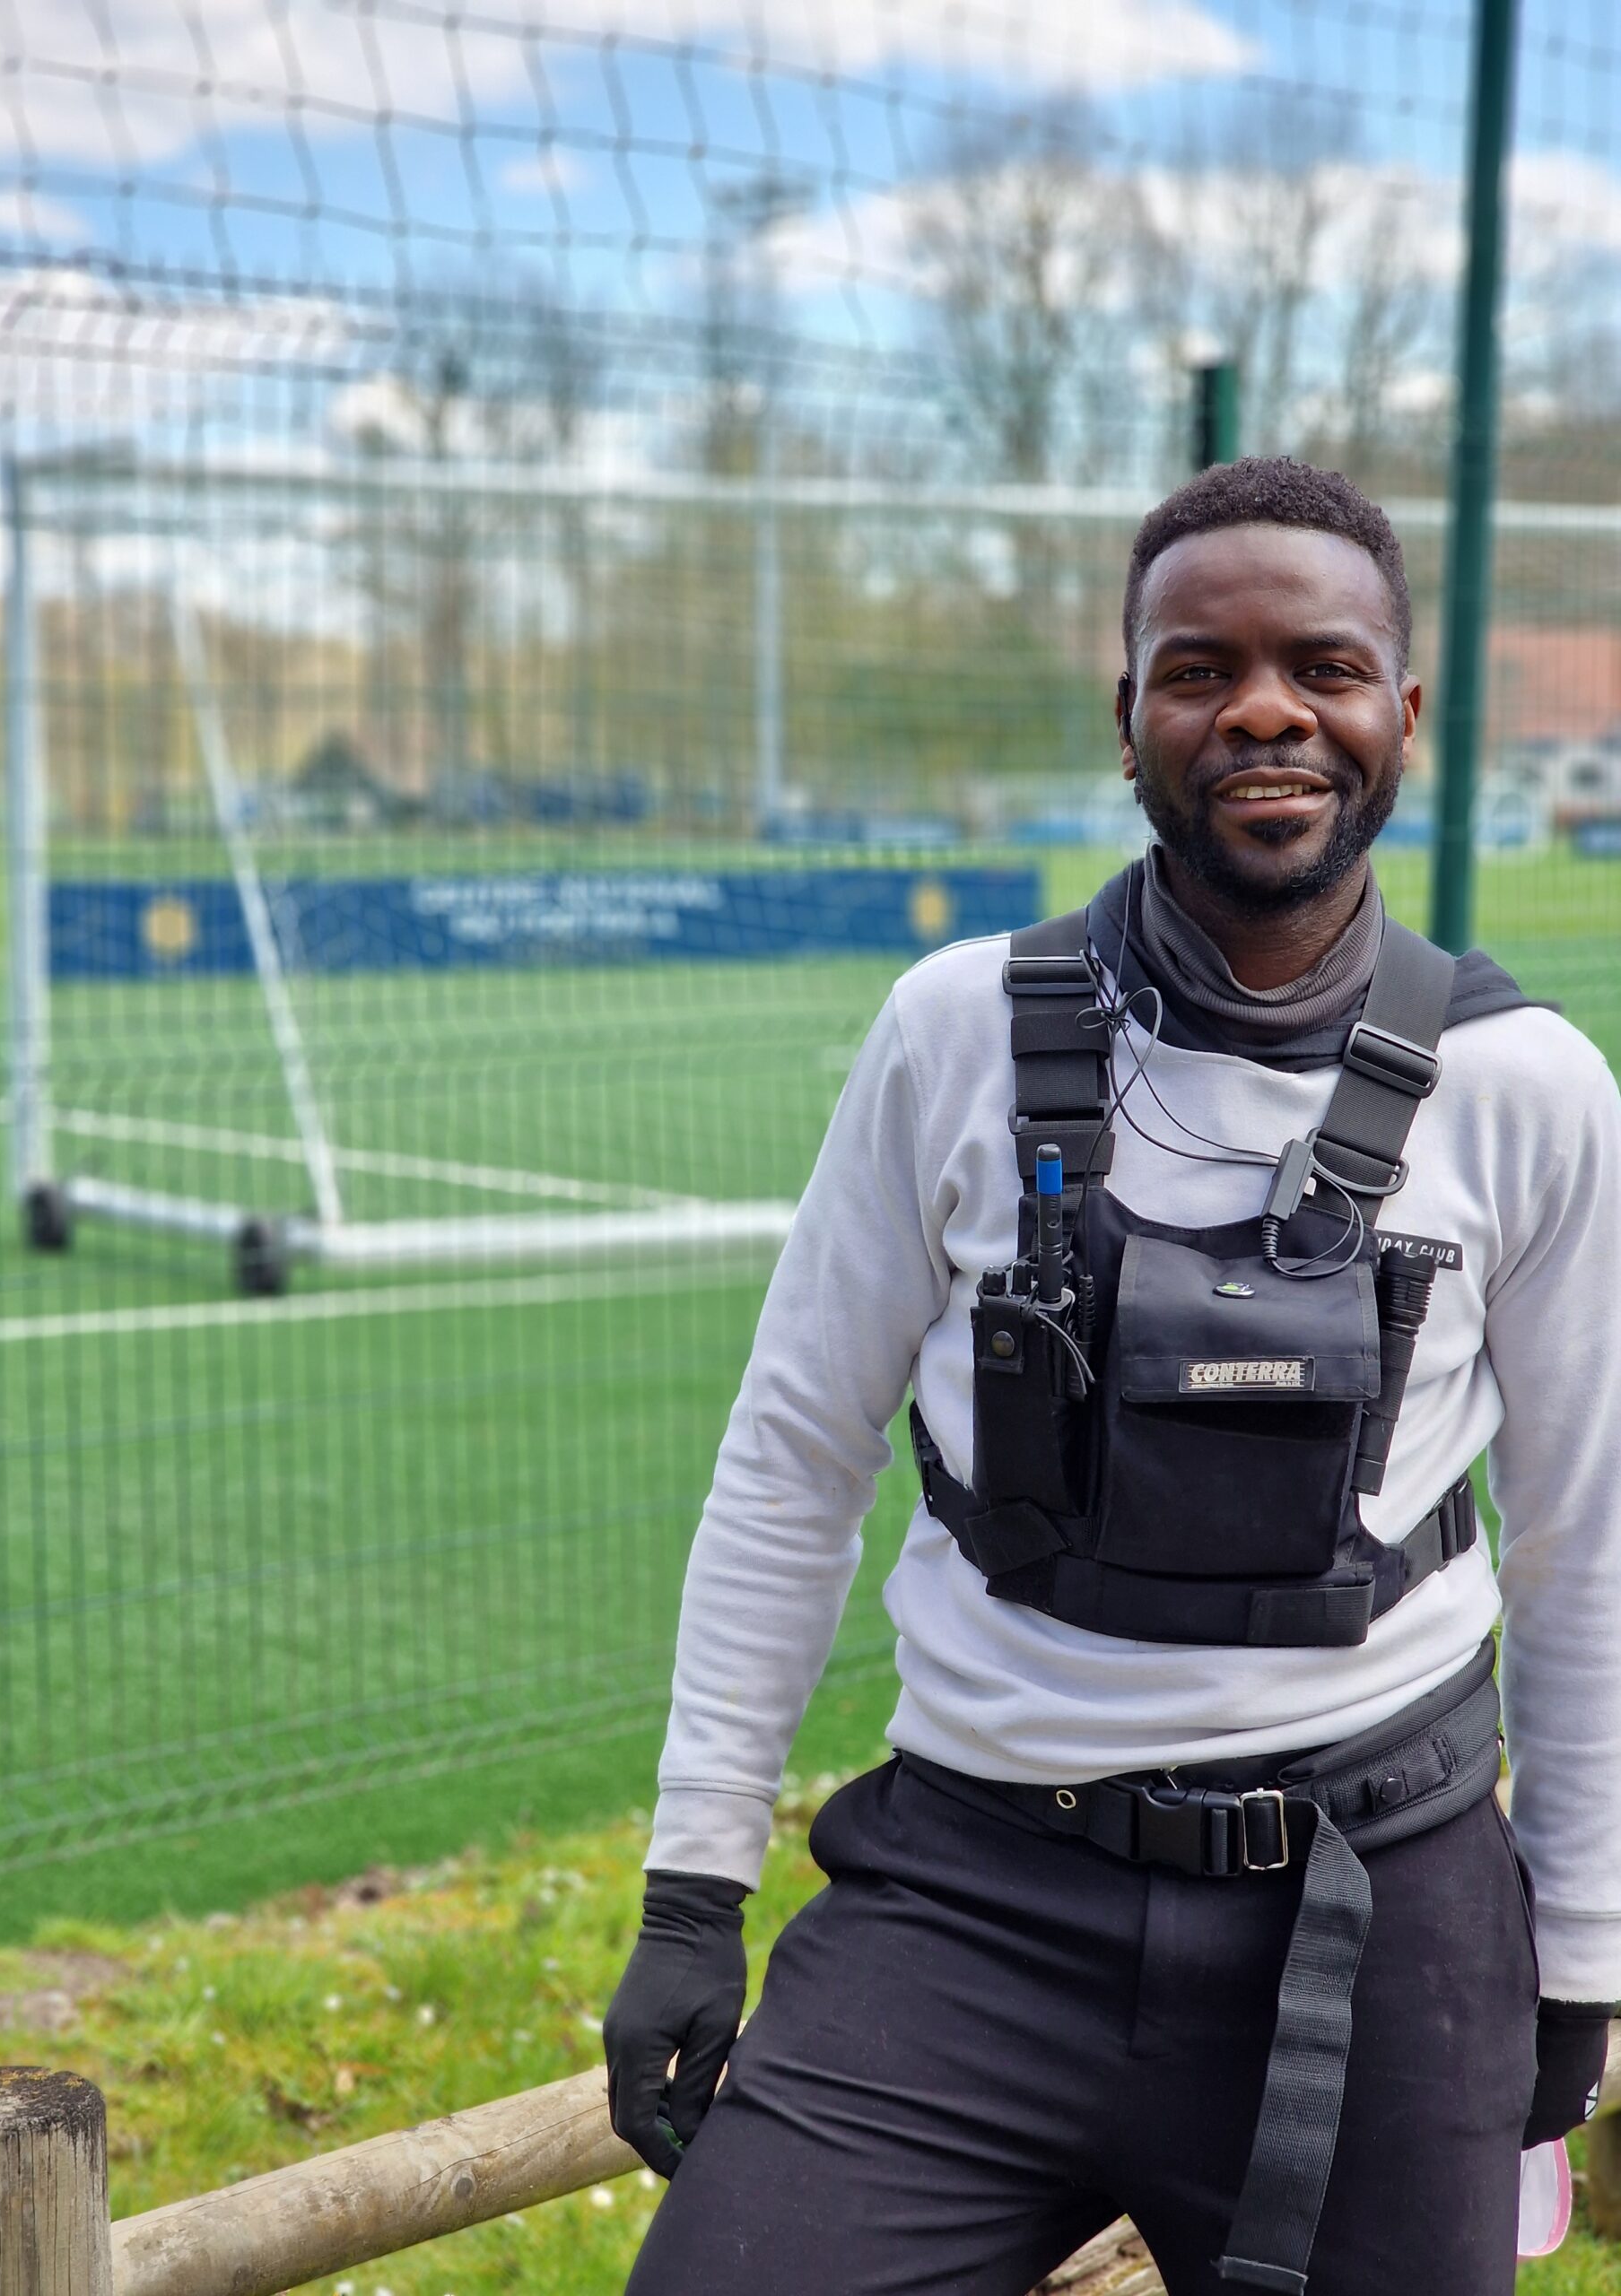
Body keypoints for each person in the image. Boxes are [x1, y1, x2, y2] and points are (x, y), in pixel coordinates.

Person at [604, 457, 1620, 2295]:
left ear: (1404, 711)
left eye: (1323, 665)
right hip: (973, 1900)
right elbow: (793, 1456)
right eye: (1197, 668)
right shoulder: (953, 1031)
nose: (1263, 710)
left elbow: (1587, 1545)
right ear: (1127, 712)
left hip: (1379, 1907)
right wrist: (694, 1887)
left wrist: (1584, 1951)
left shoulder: (1529, 1088)